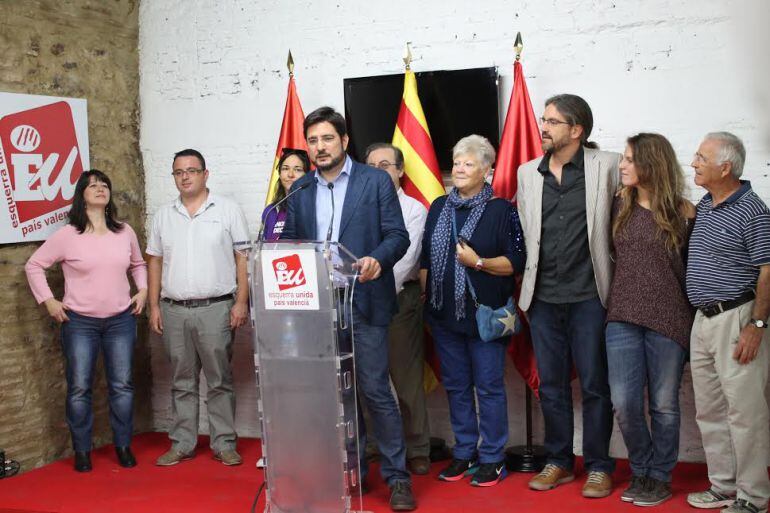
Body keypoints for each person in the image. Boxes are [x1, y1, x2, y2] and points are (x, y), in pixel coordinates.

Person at [281, 107, 415, 511]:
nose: (320, 148)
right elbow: (289, 238)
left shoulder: (374, 182)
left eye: (327, 139)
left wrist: (377, 258)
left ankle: (397, 477)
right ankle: (348, 471)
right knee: (333, 397)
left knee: (374, 390)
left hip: (364, 301)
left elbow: (398, 236)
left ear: (344, 141)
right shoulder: (301, 189)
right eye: (313, 141)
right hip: (318, 307)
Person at [517, 94, 620, 498]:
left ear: (577, 130)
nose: (543, 127)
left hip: (590, 296)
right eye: (543, 120)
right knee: (552, 385)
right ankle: (558, 461)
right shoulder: (528, 173)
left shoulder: (608, 165)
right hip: (542, 297)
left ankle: (598, 466)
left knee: (596, 385)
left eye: (553, 122)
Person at [25, 170, 147, 472]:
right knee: (79, 387)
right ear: (82, 195)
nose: (100, 189)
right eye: (93, 186)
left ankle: (122, 444)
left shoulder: (124, 232)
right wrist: (49, 300)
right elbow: (34, 265)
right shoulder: (68, 236)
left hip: (121, 320)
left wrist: (143, 290)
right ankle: (82, 450)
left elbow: (138, 263)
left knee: (122, 386)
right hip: (80, 323)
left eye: (105, 185)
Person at [419, 134, 524, 488]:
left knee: (489, 388)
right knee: (457, 386)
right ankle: (465, 451)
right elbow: (425, 259)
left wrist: (476, 262)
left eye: (469, 163)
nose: (460, 169)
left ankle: (492, 458)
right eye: (457, 162)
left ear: (487, 169)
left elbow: (516, 262)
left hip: (484, 317)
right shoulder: (437, 207)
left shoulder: (502, 210)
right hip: (444, 316)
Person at [604, 133, 695, 507]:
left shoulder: (686, 212)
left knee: (663, 404)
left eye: (628, 159)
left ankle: (659, 476)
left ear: (651, 163)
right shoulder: (617, 205)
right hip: (621, 316)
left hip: (670, 318)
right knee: (624, 402)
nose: (621, 166)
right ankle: (640, 468)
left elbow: (694, 271)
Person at [147, 148, 250, 467]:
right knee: (182, 379)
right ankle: (182, 442)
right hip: (174, 309)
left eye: (192, 170)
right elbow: (155, 260)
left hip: (216, 308)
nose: (185, 176)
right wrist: (153, 305)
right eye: (179, 172)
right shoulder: (164, 215)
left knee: (219, 379)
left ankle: (223, 443)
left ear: (206, 174)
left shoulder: (228, 210)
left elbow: (242, 258)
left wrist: (241, 301)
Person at [685, 132, 770, 513]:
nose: (693, 163)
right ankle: (723, 487)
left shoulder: (753, 210)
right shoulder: (707, 204)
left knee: (745, 412)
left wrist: (758, 325)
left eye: (701, 158)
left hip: (737, 319)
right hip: (703, 321)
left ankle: (752, 498)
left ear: (726, 167)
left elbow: (768, 271)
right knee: (710, 409)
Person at [364, 142, 431, 475]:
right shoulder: (359, 206)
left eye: (385, 165)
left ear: (401, 171)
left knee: (405, 379)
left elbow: (403, 262)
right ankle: (376, 443)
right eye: (371, 165)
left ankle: (418, 446)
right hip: (361, 301)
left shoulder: (414, 210)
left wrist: (368, 287)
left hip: (396, 300)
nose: (378, 172)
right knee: (368, 378)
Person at [261, 148, 311, 240]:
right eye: (285, 168)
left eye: (297, 170)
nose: (290, 174)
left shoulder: (314, 208)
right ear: (279, 173)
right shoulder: (270, 211)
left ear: (307, 175)